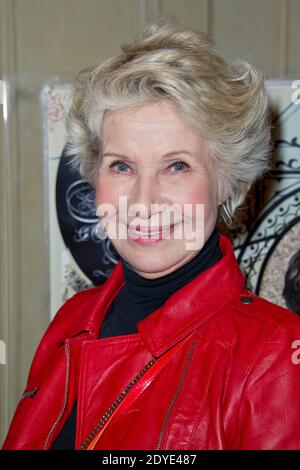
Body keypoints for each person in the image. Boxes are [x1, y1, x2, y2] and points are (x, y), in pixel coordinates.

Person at [3, 20, 300, 451]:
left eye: (176, 166)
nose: (142, 201)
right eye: (121, 166)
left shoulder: (276, 358)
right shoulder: (71, 322)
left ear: (227, 183)